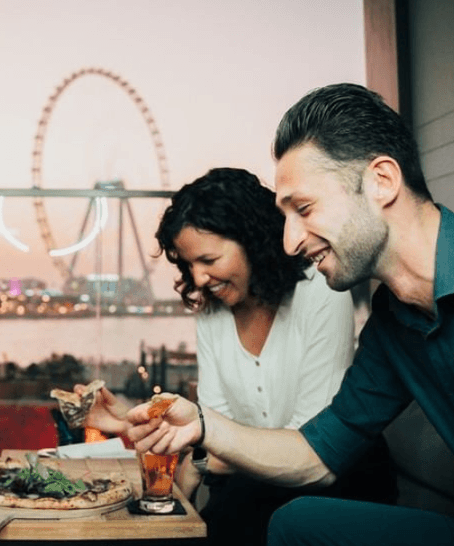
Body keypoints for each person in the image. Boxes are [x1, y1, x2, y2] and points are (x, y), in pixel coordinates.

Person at [124, 83, 454, 546]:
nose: (289, 240)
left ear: (382, 181)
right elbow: (317, 454)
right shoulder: (393, 322)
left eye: (305, 209)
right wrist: (204, 426)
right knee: (297, 522)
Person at [83, 167, 396, 544]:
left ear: (252, 241)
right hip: (253, 482)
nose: (198, 279)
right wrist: (140, 423)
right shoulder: (211, 311)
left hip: (339, 479)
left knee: (225, 522)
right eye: (189, 264)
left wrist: (200, 458)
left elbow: (307, 445)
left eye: (209, 260)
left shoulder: (322, 294)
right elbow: (214, 424)